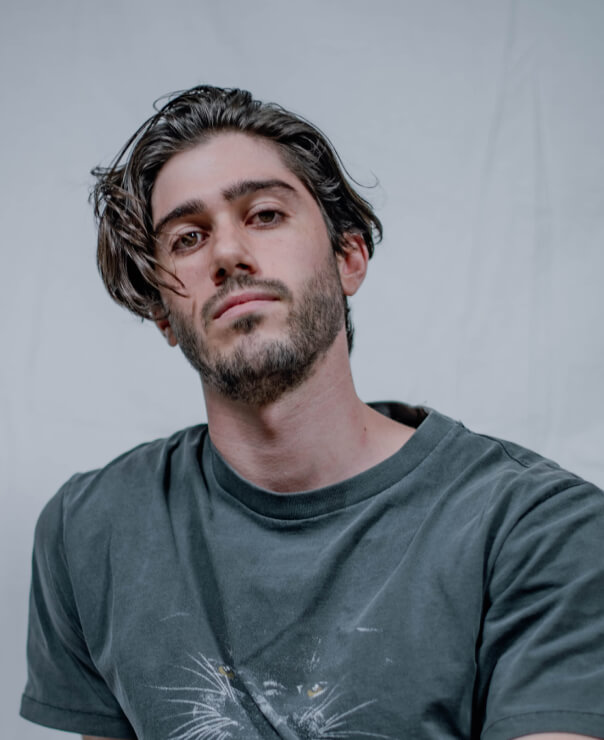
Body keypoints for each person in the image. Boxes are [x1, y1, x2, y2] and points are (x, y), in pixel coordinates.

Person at [21, 85, 604, 740]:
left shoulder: (536, 528)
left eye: (265, 214)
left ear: (348, 257)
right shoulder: (91, 529)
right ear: (162, 314)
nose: (227, 254)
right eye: (188, 238)